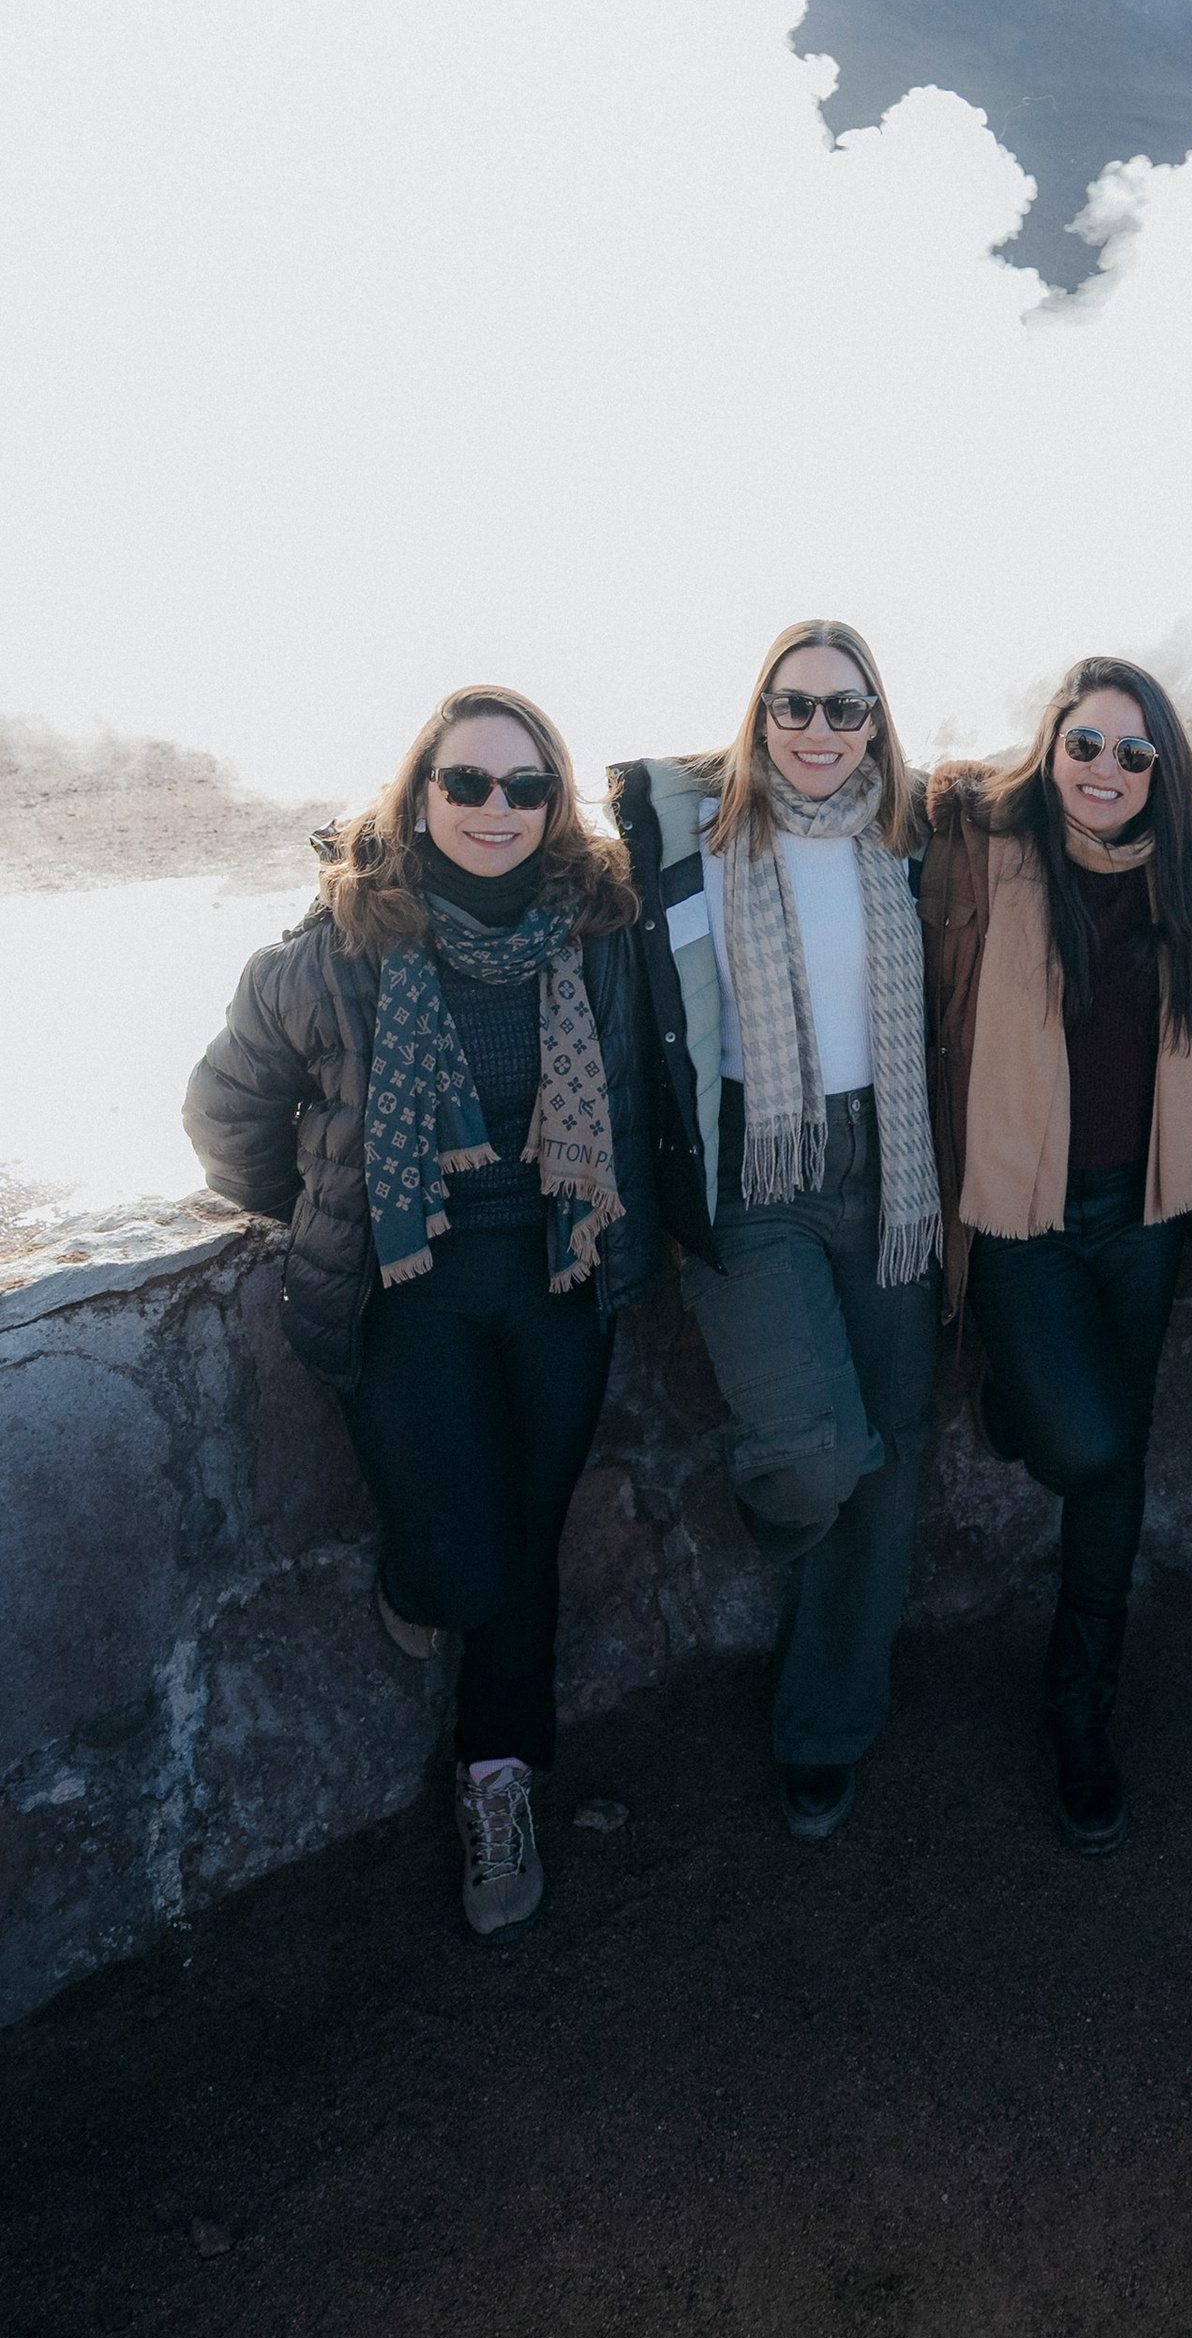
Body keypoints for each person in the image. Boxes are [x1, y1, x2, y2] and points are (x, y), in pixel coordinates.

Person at [185, 688, 659, 1941]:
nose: (496, 809)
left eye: (525, 788)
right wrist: (333, 1206)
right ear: (419, 796)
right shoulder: (339, 946)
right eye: (467, 784)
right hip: (411, 1293)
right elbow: (224, 1113)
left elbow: (640, 1092)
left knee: (526, 1545)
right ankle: (422, 1579)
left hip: (558, 1275)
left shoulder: (596, 932)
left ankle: (496, 1787)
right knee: (459, 1564)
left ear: (554, 804)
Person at [612, 621, 941, 1843]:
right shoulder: (691, 833)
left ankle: (823, 1728)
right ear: (758, 715)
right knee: (818, 1455)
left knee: (890, 1460)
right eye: (792, 706)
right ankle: (789, 1500)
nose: (817, 730)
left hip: (888, 1167)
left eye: (844, 709)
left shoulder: (911, 835)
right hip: (755, 1168)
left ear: (876, 722)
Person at [919, 660, 1192, 1851]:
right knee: (1089, 1444)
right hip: (1022, 1208)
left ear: (1163, 769)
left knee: (1119, 1456)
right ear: (1049, 745)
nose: (1106, 770)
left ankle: (1080, 1703)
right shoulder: (983, 841)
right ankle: (1014, 1393)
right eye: (1085, 744)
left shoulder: (1190, 856)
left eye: (1133, 753)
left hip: (1143, 1203)